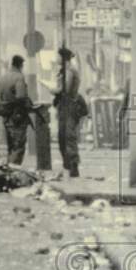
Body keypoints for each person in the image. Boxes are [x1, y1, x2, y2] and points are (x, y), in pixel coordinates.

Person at [0, 55, 33, 165]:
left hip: (6, 116)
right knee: (19, 145)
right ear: (21, 65)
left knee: (11, 145)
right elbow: (21, 96)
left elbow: (1, 96)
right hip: (17, 116)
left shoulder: (3, 77)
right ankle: (14, 170)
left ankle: (8, 169)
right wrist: (29, 105)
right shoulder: (19, 77)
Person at [53, 46, 82, 177]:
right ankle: (68, 165)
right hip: (63, 107)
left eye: (58, 56)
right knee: (62, 137)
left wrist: (54, 89)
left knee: (69, 137)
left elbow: (66, 89)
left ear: (63, 57)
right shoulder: (64, 70)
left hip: (69, 107)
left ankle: (73, 166)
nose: (56, 58)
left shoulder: (70, 70)